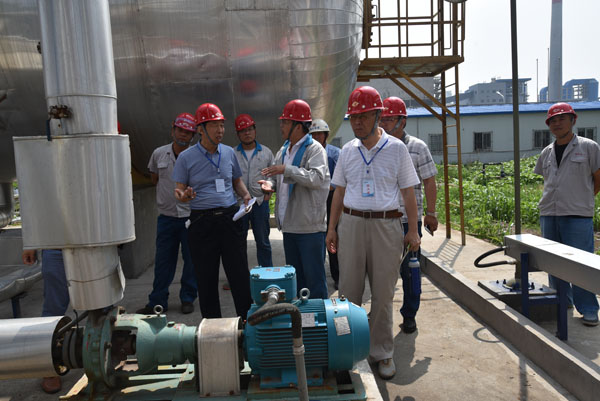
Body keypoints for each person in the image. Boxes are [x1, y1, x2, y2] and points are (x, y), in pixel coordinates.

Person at [325, 86, 420, 380]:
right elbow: (339, 192)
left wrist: (413, 230)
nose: (357, 122)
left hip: (386, 226)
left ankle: (382, 352)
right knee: (348, 292)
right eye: (353, 117)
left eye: (363, 116)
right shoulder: (347, 151)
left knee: (382, 294)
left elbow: (408, 192)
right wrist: (332, 228)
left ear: (378, 115)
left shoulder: (397, 149)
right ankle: (348, 350)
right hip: (351, 224)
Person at [172, 103, 253, 319]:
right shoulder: (186, 157)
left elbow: (236, 180)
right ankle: (212, 327)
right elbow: (178, 190)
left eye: (222, 125)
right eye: (215, 126)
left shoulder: (228, 153)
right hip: (202, 222)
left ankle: (247, 323)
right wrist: (184, 196)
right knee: (206, 277)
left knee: (239, 274)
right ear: (201, 129)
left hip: (230, 218)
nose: (220, 131)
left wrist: (246, 195)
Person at [534, 102, 600, 327]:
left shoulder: (589, 147)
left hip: (577, 214)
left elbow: (597, 178)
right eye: (552, 120)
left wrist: (582, 198)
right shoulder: (547, 152)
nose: (557, 123)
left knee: (581, 263)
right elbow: (547, 181)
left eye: (562, 118)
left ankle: (589, 309)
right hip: (550, 213)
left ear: (573, 120)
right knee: (554, 263)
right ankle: (562, 301)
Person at [259, 99, 330, 299]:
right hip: (290, 226)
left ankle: (318, 316)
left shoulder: (314, 149)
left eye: (285, 122)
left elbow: (316, 178)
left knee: (315, 281)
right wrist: (269, 185)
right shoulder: (284, 150)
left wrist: (287, 170)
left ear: (298, 126)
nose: (281, 126)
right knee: (297, 281)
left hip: (309, 228)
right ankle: (303, 316)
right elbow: (276, 178)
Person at [379, 96, 438, 334]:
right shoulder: (377, 147)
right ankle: (380, 313)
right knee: (381, 272)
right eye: (381, 119)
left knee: (410, 271)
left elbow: (429, 181)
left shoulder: (417, 147)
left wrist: (431, 213)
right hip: (382, 221)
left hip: (407, 222)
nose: (383, 123)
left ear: (402, 121)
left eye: (388, 119)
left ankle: (409, 314)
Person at [137, 113, 198, 315]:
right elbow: (155, 178)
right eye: (180, 130)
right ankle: (157, 301)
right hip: (167, 218)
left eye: (187, 132)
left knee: (191, 260)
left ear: (193, 136)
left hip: (190, 217)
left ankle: (188, 298)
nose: (183, 135)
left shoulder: (196, 156)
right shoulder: (158, 154)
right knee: (163, 261)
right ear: (173, 130)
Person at [22, 249, 68, 394]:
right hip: (55, 246)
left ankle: (110, 352)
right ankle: (49, 367)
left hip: (94, 244)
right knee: (53, 307)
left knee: (102, 301)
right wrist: (30, 245)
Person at [234, 113, 275, 267]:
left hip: (259, 203)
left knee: (263, 242)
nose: (247, 133)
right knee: (238, 243)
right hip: (239, 204)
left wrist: (269, 188)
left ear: (255, 130)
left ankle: (266, 274)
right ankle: (240, 276)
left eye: (250, 129)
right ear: (238, 134)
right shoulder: (233, 153)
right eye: (243, 131)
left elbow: (273, 177)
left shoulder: (266, 152)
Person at [308, 118, 341, 290]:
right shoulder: (308, 153)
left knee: (333, 237)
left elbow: (341, 178)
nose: (316, 137)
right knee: (316, 240)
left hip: (332, 198)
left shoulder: (335, 153)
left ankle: (338, 276)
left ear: (326, 135)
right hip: (314, 199)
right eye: (313, 135)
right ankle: (317, 277)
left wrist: (329, 186)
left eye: (319, 134)